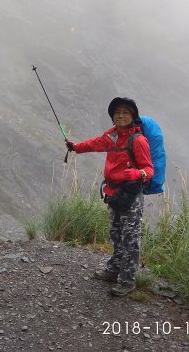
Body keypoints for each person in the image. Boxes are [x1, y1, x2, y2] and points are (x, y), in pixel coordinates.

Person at [65, 97, 154, 297]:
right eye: (117, 113)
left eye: (125, 112)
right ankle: (114, 269)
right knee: (116, 234)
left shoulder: (138, 140)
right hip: (114, 194)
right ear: (113, 117)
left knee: (130, 238)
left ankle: (127, 280)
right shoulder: (112, 137)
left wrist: (137, 174)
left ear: (133, 116)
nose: (120, 116)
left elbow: (149, 170)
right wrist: (76, 147)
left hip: (131, 195)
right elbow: (94, 144)